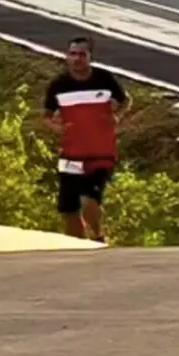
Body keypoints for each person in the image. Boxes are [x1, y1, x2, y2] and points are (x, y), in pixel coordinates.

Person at [44, 36, 132, 242]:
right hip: (69, 155)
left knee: (88, 199)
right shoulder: (59, 85)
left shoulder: (104, 79)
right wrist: (57, 128)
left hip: (100, 153)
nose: (77, 59)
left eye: (82, 54)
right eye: (72, 54)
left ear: (90, 56)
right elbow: (46, 117)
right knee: (68, 210)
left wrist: (117, 115)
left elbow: (126, 100)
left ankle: (98, 237)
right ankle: (78, 248)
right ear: (67, 57)